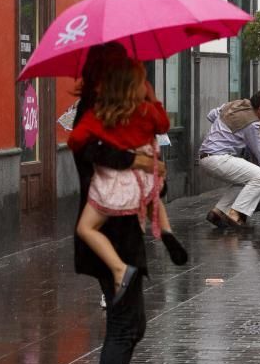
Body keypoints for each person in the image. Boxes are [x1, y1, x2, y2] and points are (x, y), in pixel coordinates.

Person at [71, 42, 164, 364]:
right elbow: (92, 151)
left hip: (121, 234)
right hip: (113, 237)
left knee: (131, 326)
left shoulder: (110, 114)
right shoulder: (97, 120)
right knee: (124, 328)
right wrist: (135, 160)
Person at [69, 55, 187, 308]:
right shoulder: (144, 110)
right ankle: (166, 231)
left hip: (111, 186)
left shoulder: (100, 113)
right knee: (152, 197)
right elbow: (163, 123)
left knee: (86, 228)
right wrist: (152, 98)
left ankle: (119, 270)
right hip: (143, 178)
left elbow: (76, 141)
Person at [199, 90, 260, 227]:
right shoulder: (252, 123)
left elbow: (211, 115)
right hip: (219, 158)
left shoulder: (235, 105)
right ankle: (236, 213)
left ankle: (218, 212)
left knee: (244, 181)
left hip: (204, 157)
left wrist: (225, 130)